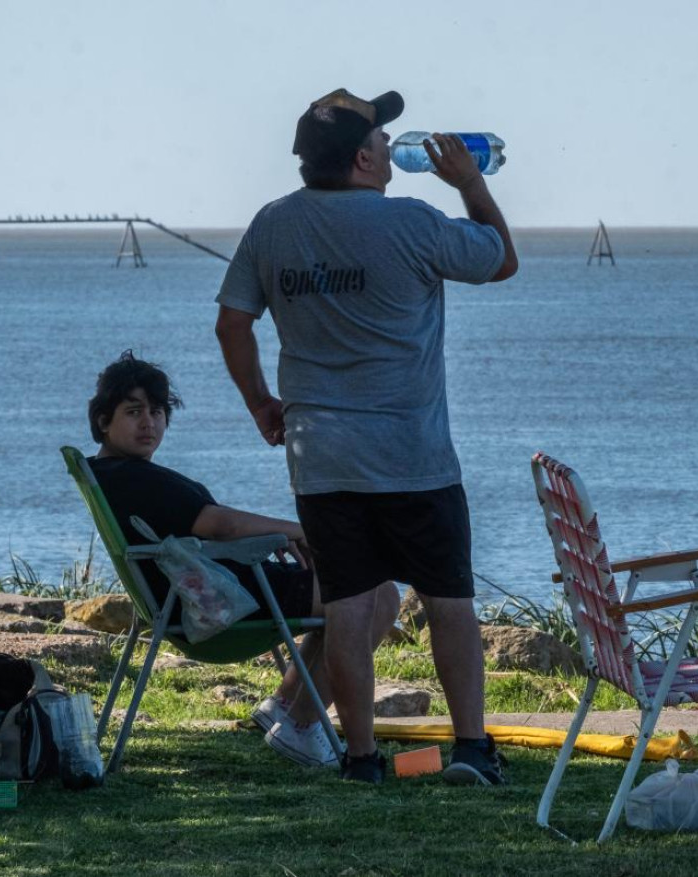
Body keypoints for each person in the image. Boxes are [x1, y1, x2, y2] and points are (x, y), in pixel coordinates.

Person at [214, 88, 519, 785]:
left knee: (348, 603)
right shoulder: (411, 222)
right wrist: (470, 184)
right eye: (382, 140)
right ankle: (471, 749)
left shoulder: (271, 226)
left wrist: (262, 401)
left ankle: (360, 757)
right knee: (447, 598)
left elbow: (233, 323)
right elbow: (500, 259)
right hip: (413, 455)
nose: (391, 148)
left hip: (320, 456)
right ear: (362, 158)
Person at [85, 350, 400, 769]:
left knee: (351, 588)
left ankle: (286, 705)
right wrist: (296, 530)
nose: (149, 422)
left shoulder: (114, 472)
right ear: (104, 421)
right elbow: (221, 526)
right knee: (376, 594)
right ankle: (302, 726)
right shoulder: (134, 478)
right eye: (133, 411)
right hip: (220, 601)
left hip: (205, 588)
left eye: (157, 411)